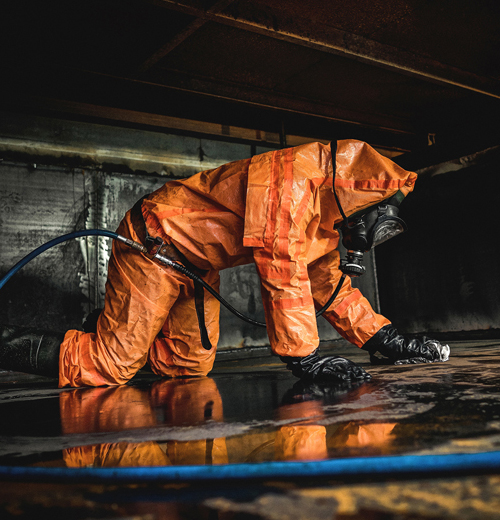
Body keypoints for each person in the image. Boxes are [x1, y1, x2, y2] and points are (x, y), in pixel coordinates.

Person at [0, 140, 449, 388]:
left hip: (197, 265)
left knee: (187, 366)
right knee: (110, 366)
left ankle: (112, 326)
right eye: (377, 223)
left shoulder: (329, 215)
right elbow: (283, 268)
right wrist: (307, 358)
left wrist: (383, 338)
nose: (369, 238)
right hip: (156, 241)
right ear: (363, 199)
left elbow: (325, 282)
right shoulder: (294, 181)